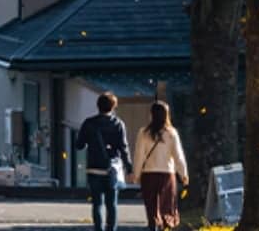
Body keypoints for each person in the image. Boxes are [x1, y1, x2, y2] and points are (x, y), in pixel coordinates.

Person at [74, 92, 130, 231]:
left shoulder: (89, 123)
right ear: (114, 106)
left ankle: (98, 229)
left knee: (97, 203)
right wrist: (129, 166)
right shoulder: (118, 124)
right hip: (112, 169)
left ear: (98, 106)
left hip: (94, 168)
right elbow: (123, 147)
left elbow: (79, 145)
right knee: (112, 204)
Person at [134, 101, 189, 230]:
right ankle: (166, 227)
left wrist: (136, 174)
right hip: (167, 175)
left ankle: (153, 226)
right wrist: (184, 174)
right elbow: (178, 156)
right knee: (167, 206)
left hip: (148, 175)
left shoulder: (143, 133)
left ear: (151, 114)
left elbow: (139, 156)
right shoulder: (171, 133)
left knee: (151, 206)